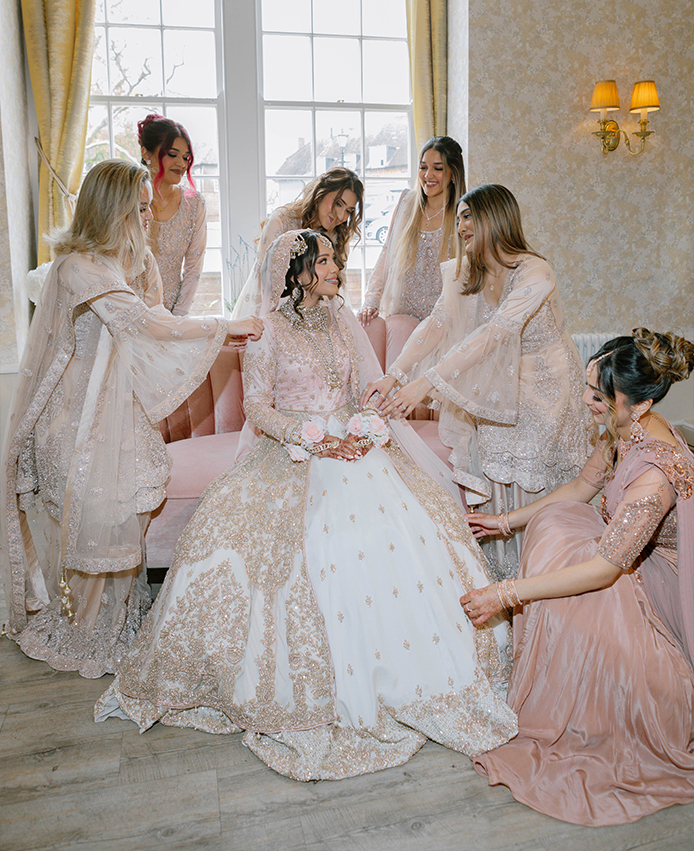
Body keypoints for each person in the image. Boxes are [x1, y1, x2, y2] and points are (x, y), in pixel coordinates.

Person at [95, 229, 518, 781]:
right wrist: (312, 438)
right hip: (293, 450)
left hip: (355, 444)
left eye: (333, 258)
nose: (335, 266)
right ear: (296, 274)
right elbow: (258, 408)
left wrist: (363, 424)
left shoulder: (341, 320)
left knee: (404, 530)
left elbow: (358, 391)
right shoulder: (266, 330)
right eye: (323, 261)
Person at [1, 160, 263, 678]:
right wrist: (223, 325)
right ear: (110, 210)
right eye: (138, 208)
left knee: (126, 515)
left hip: (117, 415)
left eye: (148, 207)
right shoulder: (77, 267)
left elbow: (158, 317)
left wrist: (216, 335)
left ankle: (114, 623)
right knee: (94, 522)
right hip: (76, 420)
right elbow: (140, 323)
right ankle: (83, 630)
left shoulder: (131, 262)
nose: (148, 217)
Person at [461, 329, 694, 826]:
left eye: (599, 396)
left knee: (568, 558)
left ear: (640, 403)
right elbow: (583, 486)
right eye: (588, 388)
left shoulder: (654, 475)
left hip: (657, 582)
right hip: (622, 552)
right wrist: (504, 522)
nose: (588, 401)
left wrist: (505, 593)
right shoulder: (625, 427)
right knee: (558, 523)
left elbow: (605, 569)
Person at [362, 184, 594, 579]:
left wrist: (426, 384)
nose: (461, 226)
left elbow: (495, 333)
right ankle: (502, 579)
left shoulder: (535, 272)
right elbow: (436, 325)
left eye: (468, 216)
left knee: (534, 479)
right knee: (494, 475)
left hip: (547, 390)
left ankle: (542, 574)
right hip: (497, 387)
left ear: (495, 217)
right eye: (459, 219)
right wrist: (394, 375)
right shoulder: (465, 270)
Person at [357, 136, 465, 327]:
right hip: (401, 314)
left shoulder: (463, 213)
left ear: (453, 173)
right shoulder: (406, 202)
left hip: (442, 319)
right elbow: (386, 253)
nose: (428, 175)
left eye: (438, 168)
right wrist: (371, 300)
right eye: (423, 167)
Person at [232, 166, 363, 318]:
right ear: (320, 193)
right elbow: (269, 286)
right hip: (272, 313)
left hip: (316, 315)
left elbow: (334, 287)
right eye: (338, 204)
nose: (341, 216)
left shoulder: (337, 235)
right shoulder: (281, 221)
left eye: (348, 211)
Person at [138, 113, 206, 315]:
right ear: (146, 153)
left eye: (186, 158)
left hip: (173, 315)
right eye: (172, 155)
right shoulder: (126, 197)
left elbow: (194, 269)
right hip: (130, 313)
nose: (182, 164)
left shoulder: (194, 203)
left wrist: (177, 319)